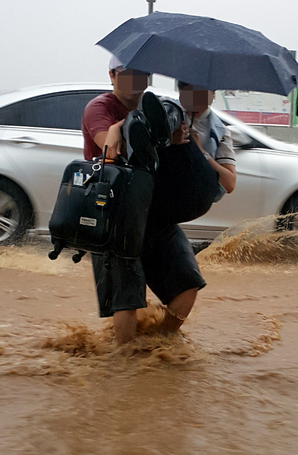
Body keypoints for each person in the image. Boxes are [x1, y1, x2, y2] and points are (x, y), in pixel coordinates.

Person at [82, 57, 206, 345]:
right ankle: (124, 369)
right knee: (127, 299)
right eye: (128, 74)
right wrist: (122, 126)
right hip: (114, 214)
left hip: (154, 210)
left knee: (187, 283)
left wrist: (176, 139)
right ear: (112, 75)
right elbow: (111, 148)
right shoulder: (98, 109)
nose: (135, 80)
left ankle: (159, 346)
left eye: (141, 74)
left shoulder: (159, 109)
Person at [177, 81, 237, 198]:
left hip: (192, 201)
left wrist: (201, 152)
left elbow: (229, 183)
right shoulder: (168, 112)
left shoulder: (219, 131)